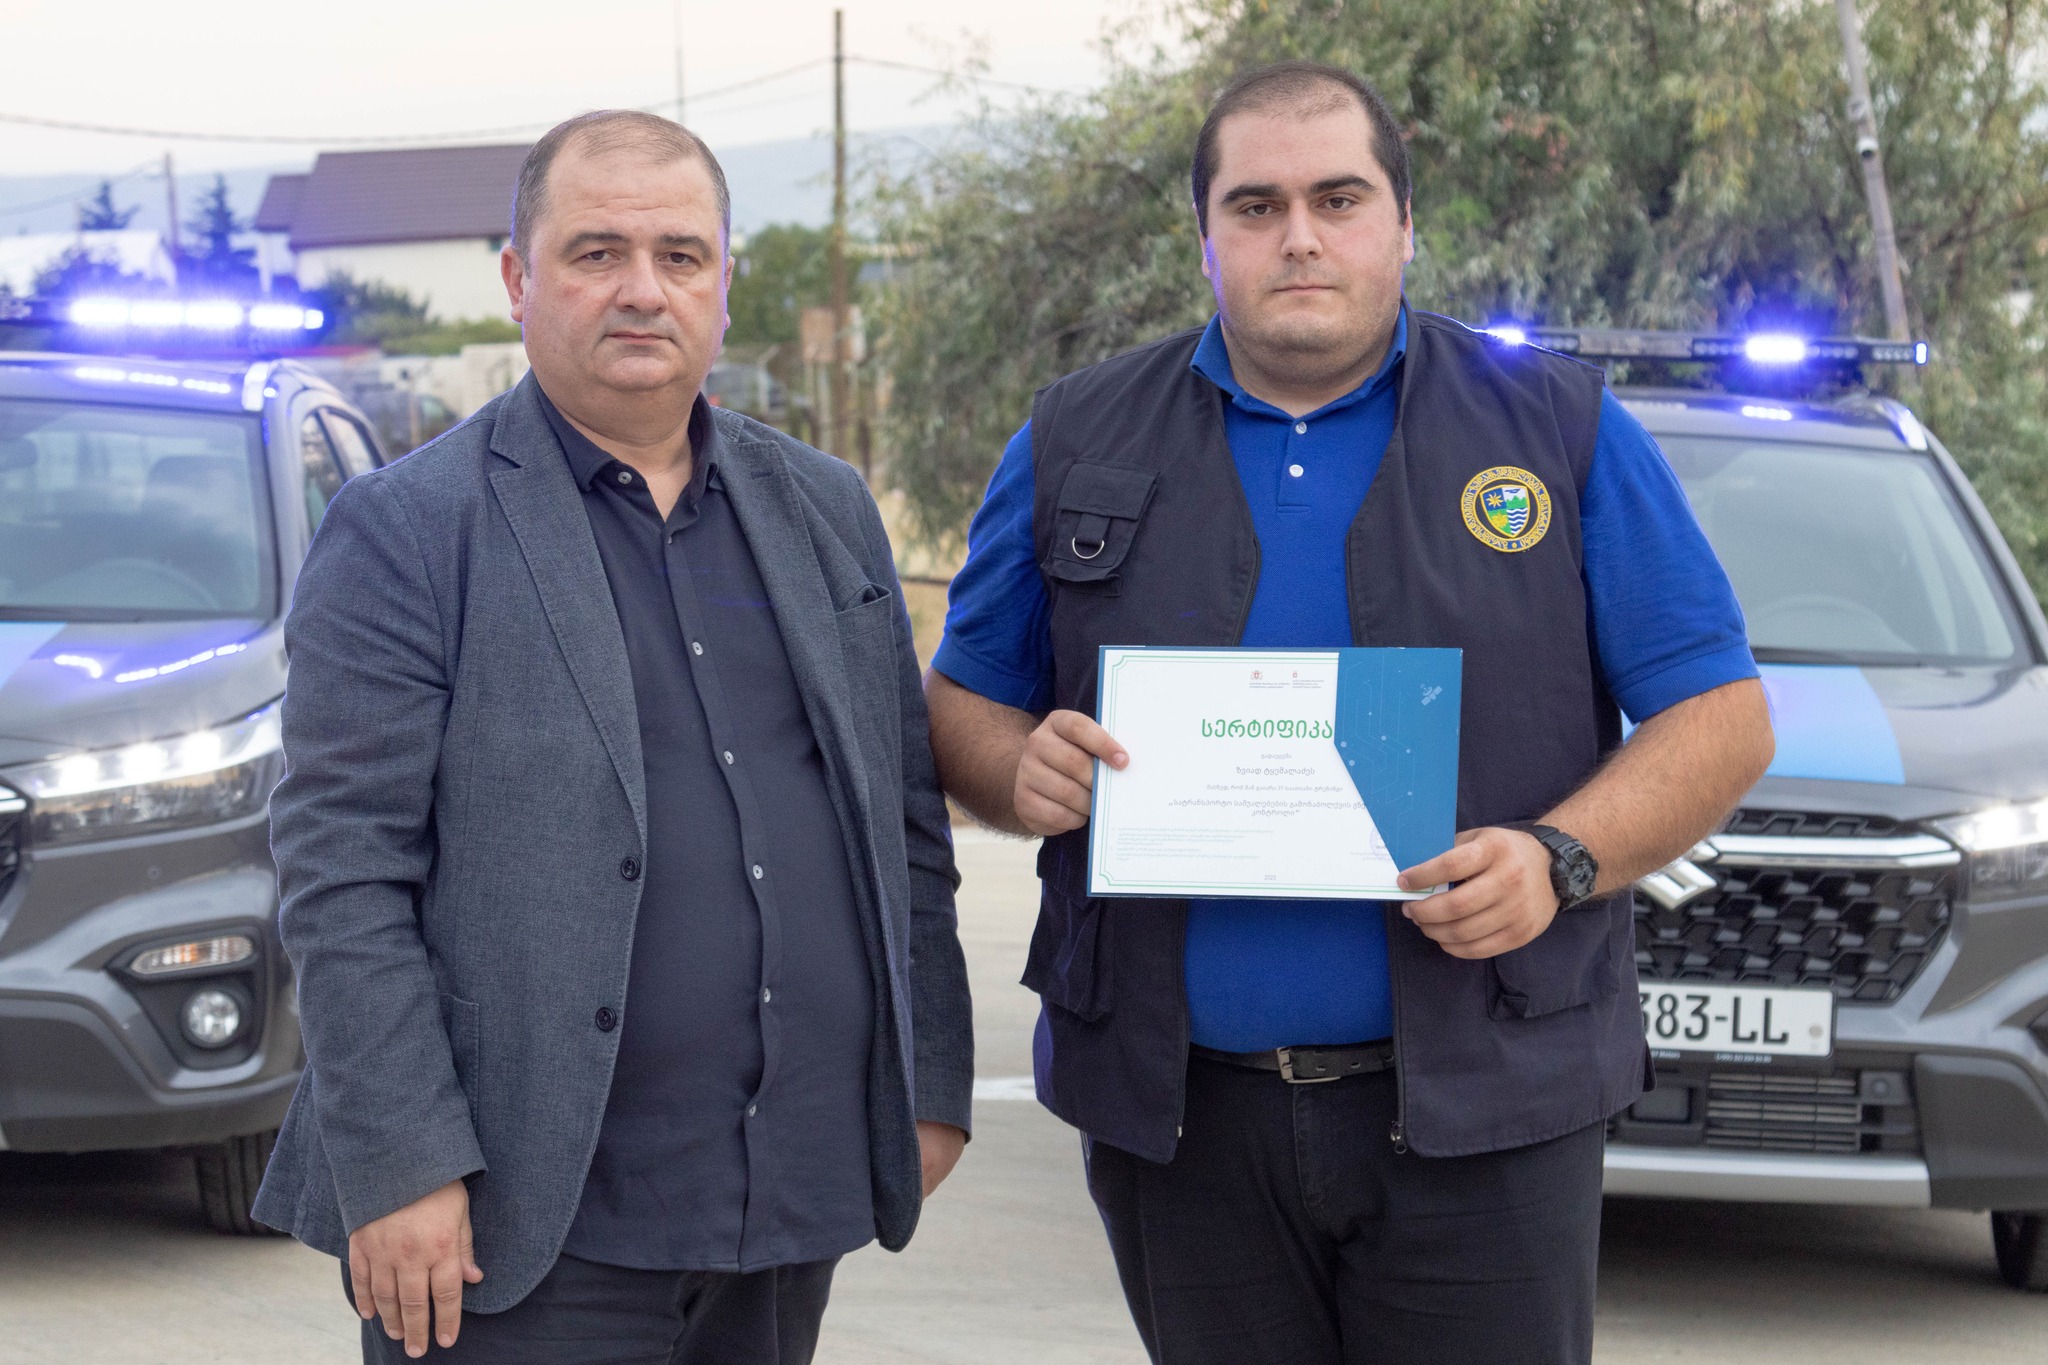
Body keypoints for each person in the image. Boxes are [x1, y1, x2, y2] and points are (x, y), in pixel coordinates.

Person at [924, 61, 1773, 1365]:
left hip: (1485, 1113)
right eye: (1255, 206)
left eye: (1338, 199)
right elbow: (962, 704)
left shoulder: (1559, 429)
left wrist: (1557, 858)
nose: (1300, 237)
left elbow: (1718, 715)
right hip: (1180, 1122)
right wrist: (1012, 767)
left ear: (1403, 223)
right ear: (1203, 237)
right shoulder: (1075, 435)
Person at [253, 110, 972, 1364]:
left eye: (680, 255)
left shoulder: (825, 509)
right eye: (596, 253)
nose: (643, 289)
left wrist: (930, 1083)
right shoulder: (407, 530)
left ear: (723, 283)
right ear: (518, 279)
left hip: (782, 1198)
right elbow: (342, 873)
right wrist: (403, 1161)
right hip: (516, 1219)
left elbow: (899, 823)